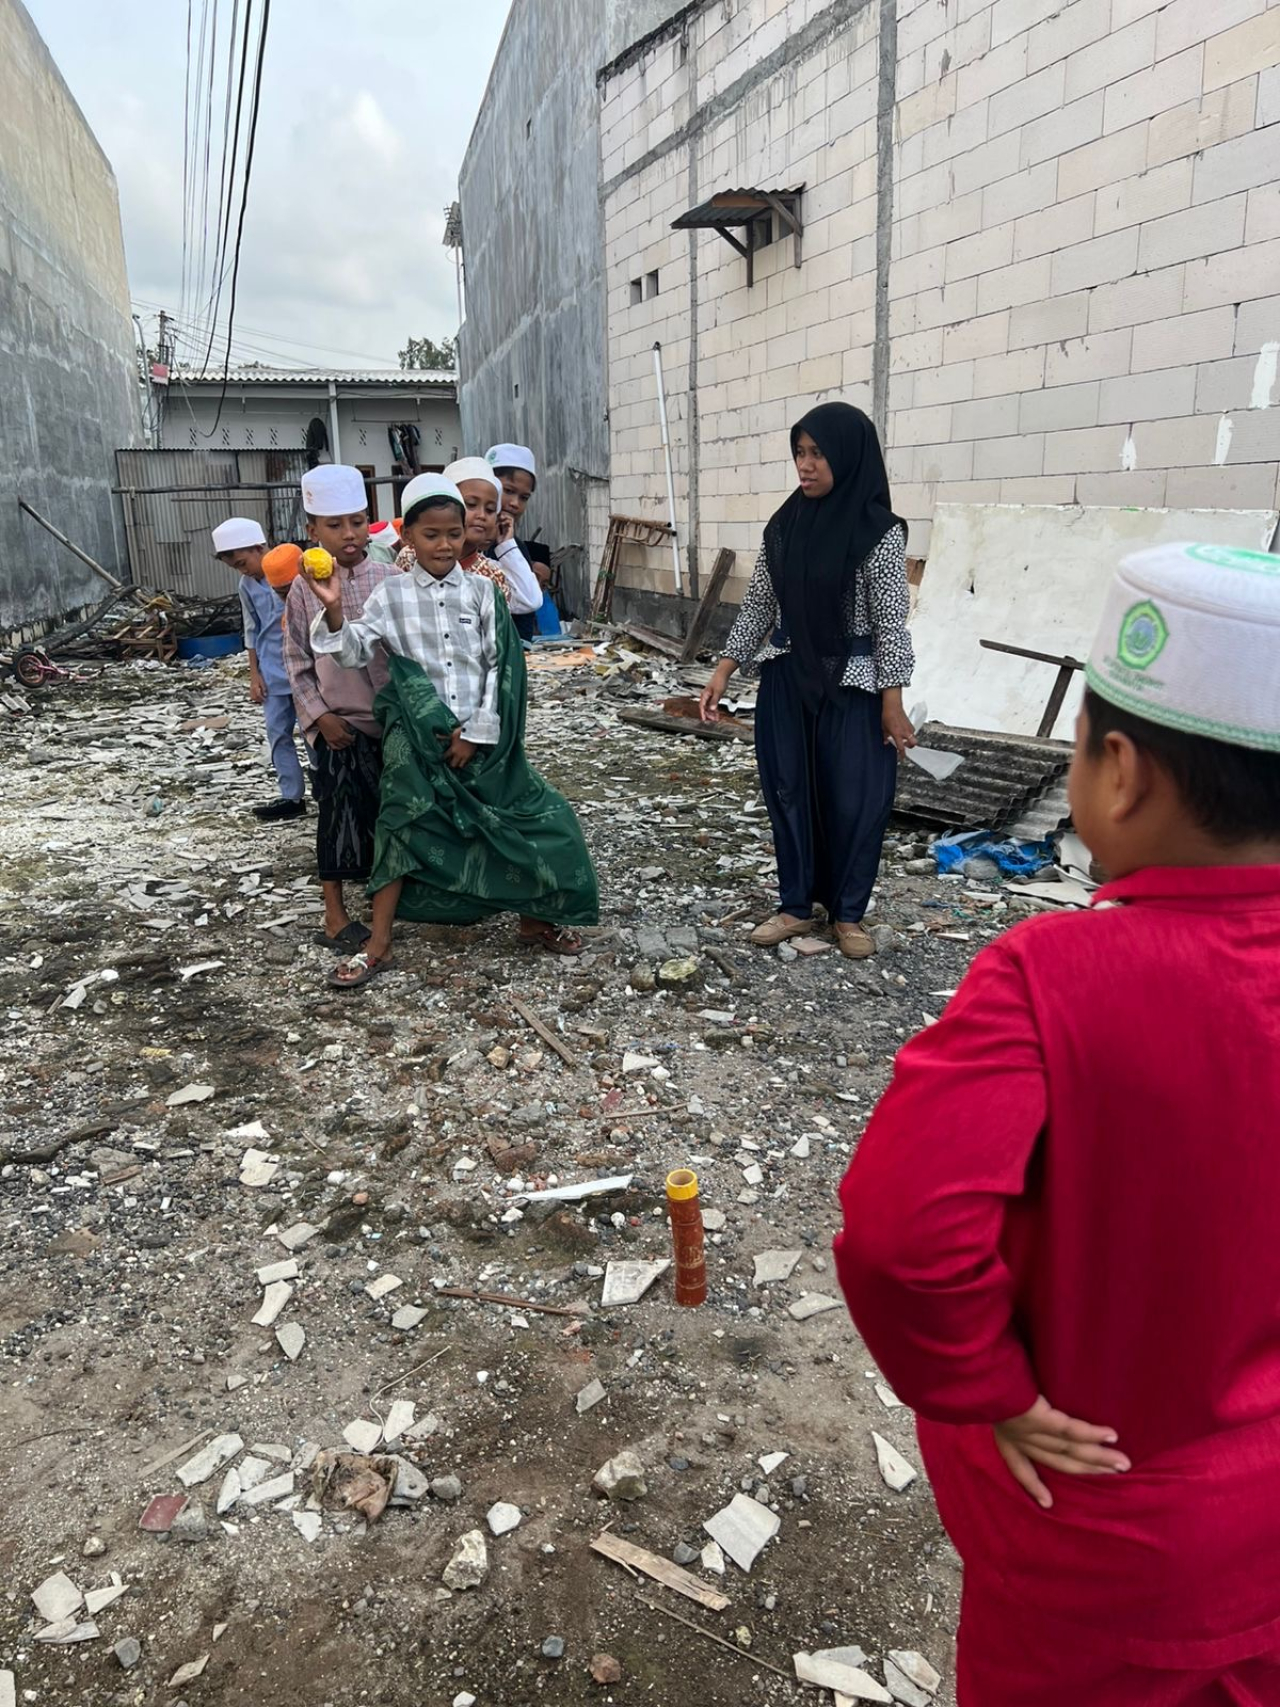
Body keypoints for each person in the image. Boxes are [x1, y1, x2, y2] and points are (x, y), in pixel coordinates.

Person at [834, 541, 1280, 1705]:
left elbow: (900, 1236)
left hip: (1100, 1547)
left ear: (1117, 772)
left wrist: (987, 1388)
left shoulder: (1050, 977)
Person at [301, 473, 598, 991]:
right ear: (407, 537)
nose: (444, 545)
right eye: (432, 534)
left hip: (479, 741)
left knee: (538, 820)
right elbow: (351, 652)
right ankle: (379, 943)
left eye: (454, 534)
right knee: (399, 826)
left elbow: (499, 668)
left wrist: (476, 732)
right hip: (416, 741)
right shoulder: (390, 596)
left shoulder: (482, 592)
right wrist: (332, 611)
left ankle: (534, 920)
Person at [698, 403, 915, 960]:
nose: (806, 465)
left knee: (855, 798)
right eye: (799, 452)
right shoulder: (784, 526)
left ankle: (848, 914)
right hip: (789, 676)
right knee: (789, 789)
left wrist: (892, 703)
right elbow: (758, 606)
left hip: (855, 683)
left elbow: (891, 624)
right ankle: (795, 905)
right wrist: (723, 671)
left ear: (848, 455)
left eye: (818, 453)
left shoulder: (879, 534)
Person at [281, 464, 393, 954]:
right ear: (313, 531)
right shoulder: (303, 588)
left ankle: (390, 902)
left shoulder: (390, 577)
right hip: (337, 722)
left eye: (357, 521)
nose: (349, 534)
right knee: (337, 811)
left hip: (389, 721)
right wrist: (319, 717)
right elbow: (295, 659)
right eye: (334, 525)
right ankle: (334, 912)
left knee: (387, 812)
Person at [212, 517, 306, 823]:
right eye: (236, 567)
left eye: (243, 563)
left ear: (259, 547)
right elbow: (251, 629)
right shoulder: (247, 585)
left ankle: (326, 787)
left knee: (313, 733)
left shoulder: (293, 571)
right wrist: (255, 674)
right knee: (278, 733)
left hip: (304, 665)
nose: (243, 571)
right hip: (272, 667)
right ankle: (291, 796)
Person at [486, 442, 552, 641]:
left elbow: (530, 602)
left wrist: (507, 547)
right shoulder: (465, 545)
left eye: (524, 497)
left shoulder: (514, 547)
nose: (515, 503)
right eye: (508, 491)